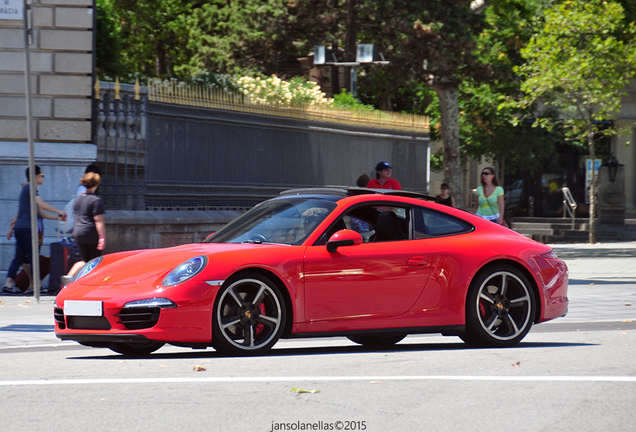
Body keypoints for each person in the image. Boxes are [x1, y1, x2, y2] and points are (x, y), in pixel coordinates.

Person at [3, 166, 66, 295]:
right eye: (42, 176)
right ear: (36, 176)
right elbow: (42, 204)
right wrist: (59, 211)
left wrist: (57, 217)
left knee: (18, 258)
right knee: (33, 258)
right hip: (26, 229)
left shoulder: (28, 190)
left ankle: (8, 285)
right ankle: (36, 286)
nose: (43, 178)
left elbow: (40, 212)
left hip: (21, 228)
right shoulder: (30, 188)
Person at [64, 172, 106, 281]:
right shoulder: (96, 200)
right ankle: (90, 282)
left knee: (84, 260)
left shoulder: (79, 198)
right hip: (91, 233)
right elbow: (98, 220)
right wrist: (102, 237)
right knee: (94, 262)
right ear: (96, 184)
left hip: (79, 232)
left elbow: (77, 215)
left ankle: (69, 278)